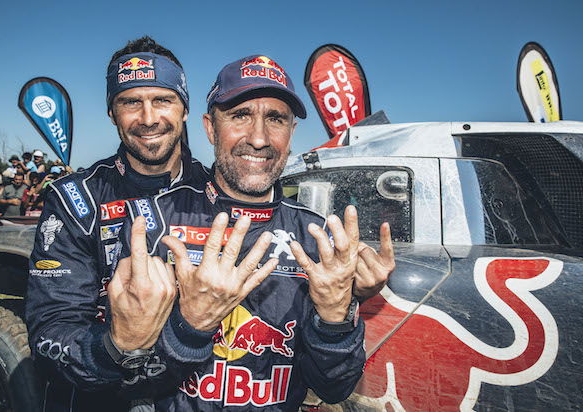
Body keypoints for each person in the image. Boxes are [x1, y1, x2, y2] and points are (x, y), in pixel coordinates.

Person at [114, 55, 394, 410]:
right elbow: (124, 381)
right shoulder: (152, 221)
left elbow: (334, 388)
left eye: (275, 119)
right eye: (240, 116)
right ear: (210, 128)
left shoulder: (317, 236)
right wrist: (191, 325)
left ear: (292, 133)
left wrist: (335, 317)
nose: (259, 138)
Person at [25, 36, 210, 411]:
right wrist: (118, 345)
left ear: (184, 108)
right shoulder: (75, 199)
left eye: (162, 99)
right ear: (112, 113)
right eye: (130, 102)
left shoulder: (217, 194)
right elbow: (49, 331)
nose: (148, 118)